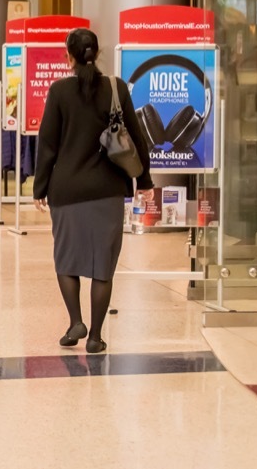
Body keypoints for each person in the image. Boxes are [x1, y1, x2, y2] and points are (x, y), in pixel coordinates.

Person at [33, 28, 156, 354]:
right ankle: (97, 336)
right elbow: (137, 137)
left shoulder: (59, 91)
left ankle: (76, 321)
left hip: (67, 189)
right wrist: (144, 182)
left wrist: (39, 187)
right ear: (96, 52)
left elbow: (47, 144)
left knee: (66, 260)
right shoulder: (116, 88)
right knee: (103, 265)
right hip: (108, 190)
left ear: (68, 56)